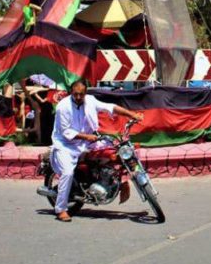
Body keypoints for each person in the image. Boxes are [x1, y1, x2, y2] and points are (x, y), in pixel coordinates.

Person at [50, 79, 144, 222]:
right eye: (75, 94)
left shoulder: (90, 100)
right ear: (71, 92)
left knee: (114, 150)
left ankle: (119, 181)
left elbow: (110, 107)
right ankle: (61, 209)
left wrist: (132, 115)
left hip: (88, 141)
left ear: (85, 93)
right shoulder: (63, 107)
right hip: (66, 144)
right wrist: (87, 136)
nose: (78, 97)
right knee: (68, 173)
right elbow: (66, 131)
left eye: (81, 94)